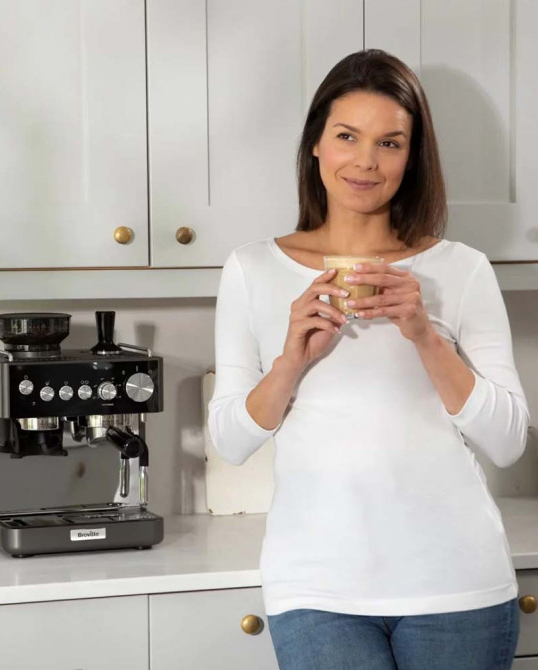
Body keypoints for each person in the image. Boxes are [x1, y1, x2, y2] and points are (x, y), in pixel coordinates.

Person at [207, 49, 529, 670]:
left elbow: (508, 441)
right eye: (347, 136)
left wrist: (425, 335)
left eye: (390, 143)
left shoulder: (461, 270)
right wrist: (291, 361)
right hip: (315, 588)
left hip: (457, 584)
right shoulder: (252, 269)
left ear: (412, 157)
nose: (365, 161)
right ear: (315, 144)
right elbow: (230, 440)